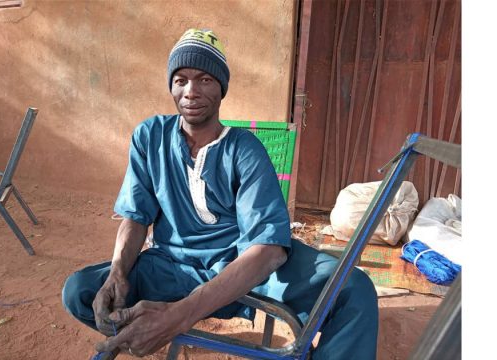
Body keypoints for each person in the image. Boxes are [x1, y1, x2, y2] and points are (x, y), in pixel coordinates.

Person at [62, 28, 378, 359]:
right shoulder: (149, 137)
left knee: (352, 291)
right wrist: (117, 272)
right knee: (81, 291)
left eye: (205, 80)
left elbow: (268, 252)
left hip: (241, 268)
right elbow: (135, 217)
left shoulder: (244, 149)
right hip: (171, 265)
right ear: (171, 85)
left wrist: (178, 317)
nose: (191, 91)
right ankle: (144, 330)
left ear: (222, 88)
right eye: (180, 79)